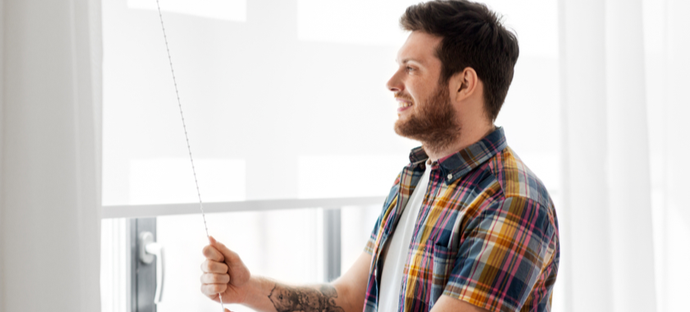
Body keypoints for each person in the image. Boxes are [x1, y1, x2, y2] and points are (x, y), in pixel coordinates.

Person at [200, 1, 559, 311]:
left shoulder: (512, 200)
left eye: (412, 68)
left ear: (464, 83)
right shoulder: (416, 177)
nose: (392, 81)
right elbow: (350, 297)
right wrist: (249, 290)